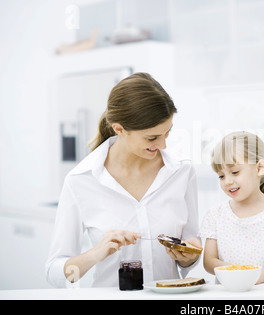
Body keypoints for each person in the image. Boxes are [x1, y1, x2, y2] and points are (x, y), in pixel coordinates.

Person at [45, 72, 201, 287]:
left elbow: (191, 250)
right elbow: (55, 273)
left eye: (167, 133)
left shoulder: (182, 172)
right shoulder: (80, 180)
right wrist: (95, 254)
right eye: (152, 138)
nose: (163, 145)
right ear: (119, 129)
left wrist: (190, 257)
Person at [199, 131, 264, 284]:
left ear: (260, 168)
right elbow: (209, 261)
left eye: (234, 172)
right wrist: (238, 272)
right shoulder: (215, 215)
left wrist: (255, 278)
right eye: (221, 176)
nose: (227, 181)